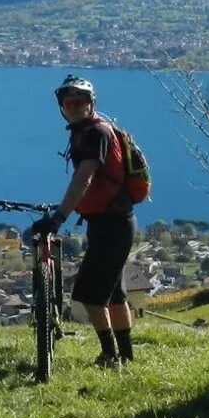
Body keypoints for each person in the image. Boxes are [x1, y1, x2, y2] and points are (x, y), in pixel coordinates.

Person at [28, 75, 137, 369]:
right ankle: (126, 356)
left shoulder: (95, 134)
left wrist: (60, 216)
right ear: (62, 106)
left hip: (112, 225)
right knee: (114, 294)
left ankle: (110, 356)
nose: (75, 106)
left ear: (92, 104)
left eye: (81, 101)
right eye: (69, 102)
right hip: (111, 223)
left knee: (88, 294)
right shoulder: (90, 130)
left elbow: (84, 177)